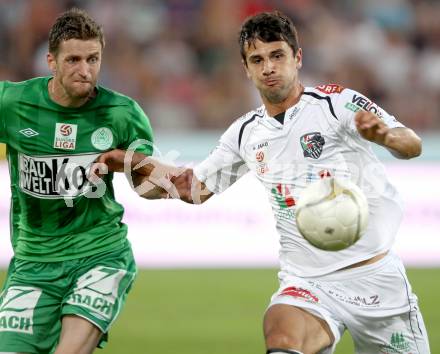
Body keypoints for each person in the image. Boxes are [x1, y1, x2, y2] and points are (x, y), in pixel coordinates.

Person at [98, 10, 431, 354]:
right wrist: (127, 162)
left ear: (297, 58)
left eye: (277, 56)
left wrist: (387, 137)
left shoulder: (336, 103)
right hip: (308, 284)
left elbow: (412, 144)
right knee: (281, 334)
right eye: (257, 59)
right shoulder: (245, 133)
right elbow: (190, 187)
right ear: (246, 69)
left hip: (376, 277)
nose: (268, 67)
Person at [0, 8, 168, 354]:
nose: (85, 70)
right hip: (34, 262)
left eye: (93, 59)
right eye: (74, 59)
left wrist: (133, 166)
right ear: (51, 61)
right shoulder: (12, 103)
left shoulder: (123, 114)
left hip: (100, 254)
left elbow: (148, 187)